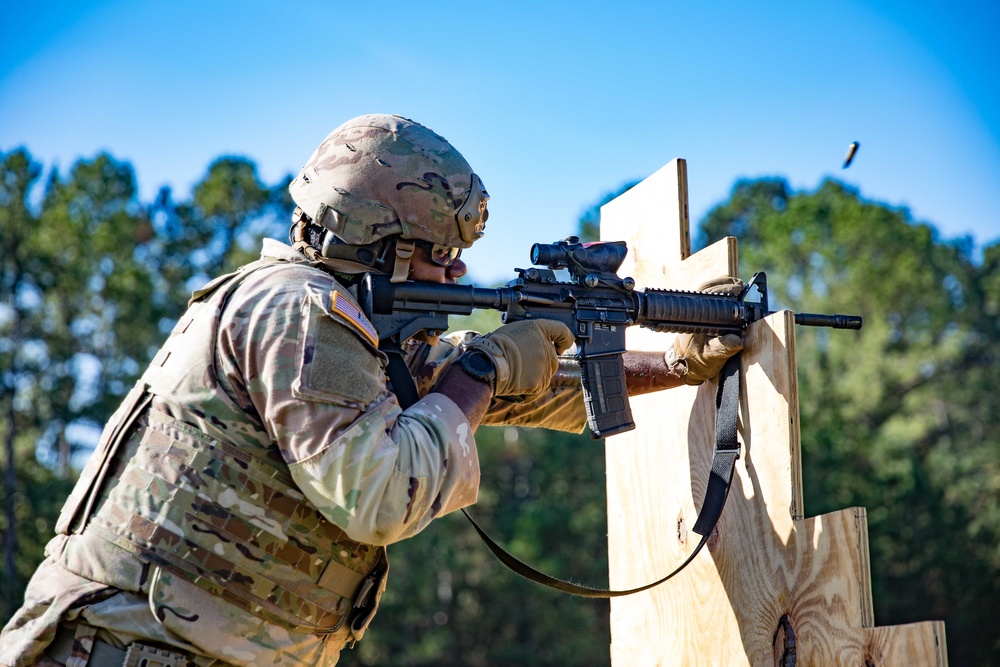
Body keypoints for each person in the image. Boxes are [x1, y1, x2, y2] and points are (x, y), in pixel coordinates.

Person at [0, 114, 743, 667]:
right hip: (128, 651)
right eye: (443, 252)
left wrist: (676, 363)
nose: (458, 273)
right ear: (384, 245)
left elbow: (524, 389)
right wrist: (483, 369)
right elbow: (380, 496)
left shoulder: (346, 328)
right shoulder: (296, 311)